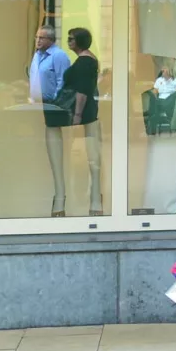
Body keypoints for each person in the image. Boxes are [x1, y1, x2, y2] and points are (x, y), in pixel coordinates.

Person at [61, 27, 103, 217]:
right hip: (87, 112)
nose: (68, 41)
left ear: (80, 41)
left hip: (83, 114)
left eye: (71, 38)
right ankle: (87, 194)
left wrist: (77, 114)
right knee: (87, 153)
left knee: (84, 154)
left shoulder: (85, 62)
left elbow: (82, 91)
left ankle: (86, 195)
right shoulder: (87, 60)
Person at [28, 24, 70, 216]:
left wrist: (55, 100)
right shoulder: (37, 55)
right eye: (37, 37)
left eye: (42, 38)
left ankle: (60, 194)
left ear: (51, 40)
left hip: (53, 106)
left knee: (55, 146)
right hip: (37, 106)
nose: (37, 41)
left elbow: (63, 80)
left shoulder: (59, 56)